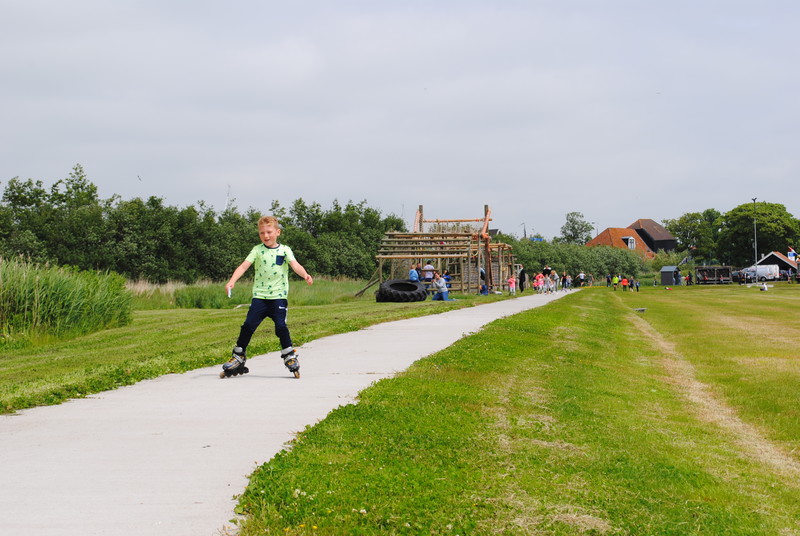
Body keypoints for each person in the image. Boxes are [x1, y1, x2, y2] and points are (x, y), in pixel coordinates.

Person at [222, 215, 313, 378]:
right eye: (262, 233)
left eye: (269, 232)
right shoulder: (257, 250)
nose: (266, 236)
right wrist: (231, 281)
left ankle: (289, 356)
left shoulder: (285, 250)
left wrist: (305, 275)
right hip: (260, 297)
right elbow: (243, 267)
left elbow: (295, 265)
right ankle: (238, 356)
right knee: (248, 326)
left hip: (278, 297)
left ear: (277, 232)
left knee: (281, 327)